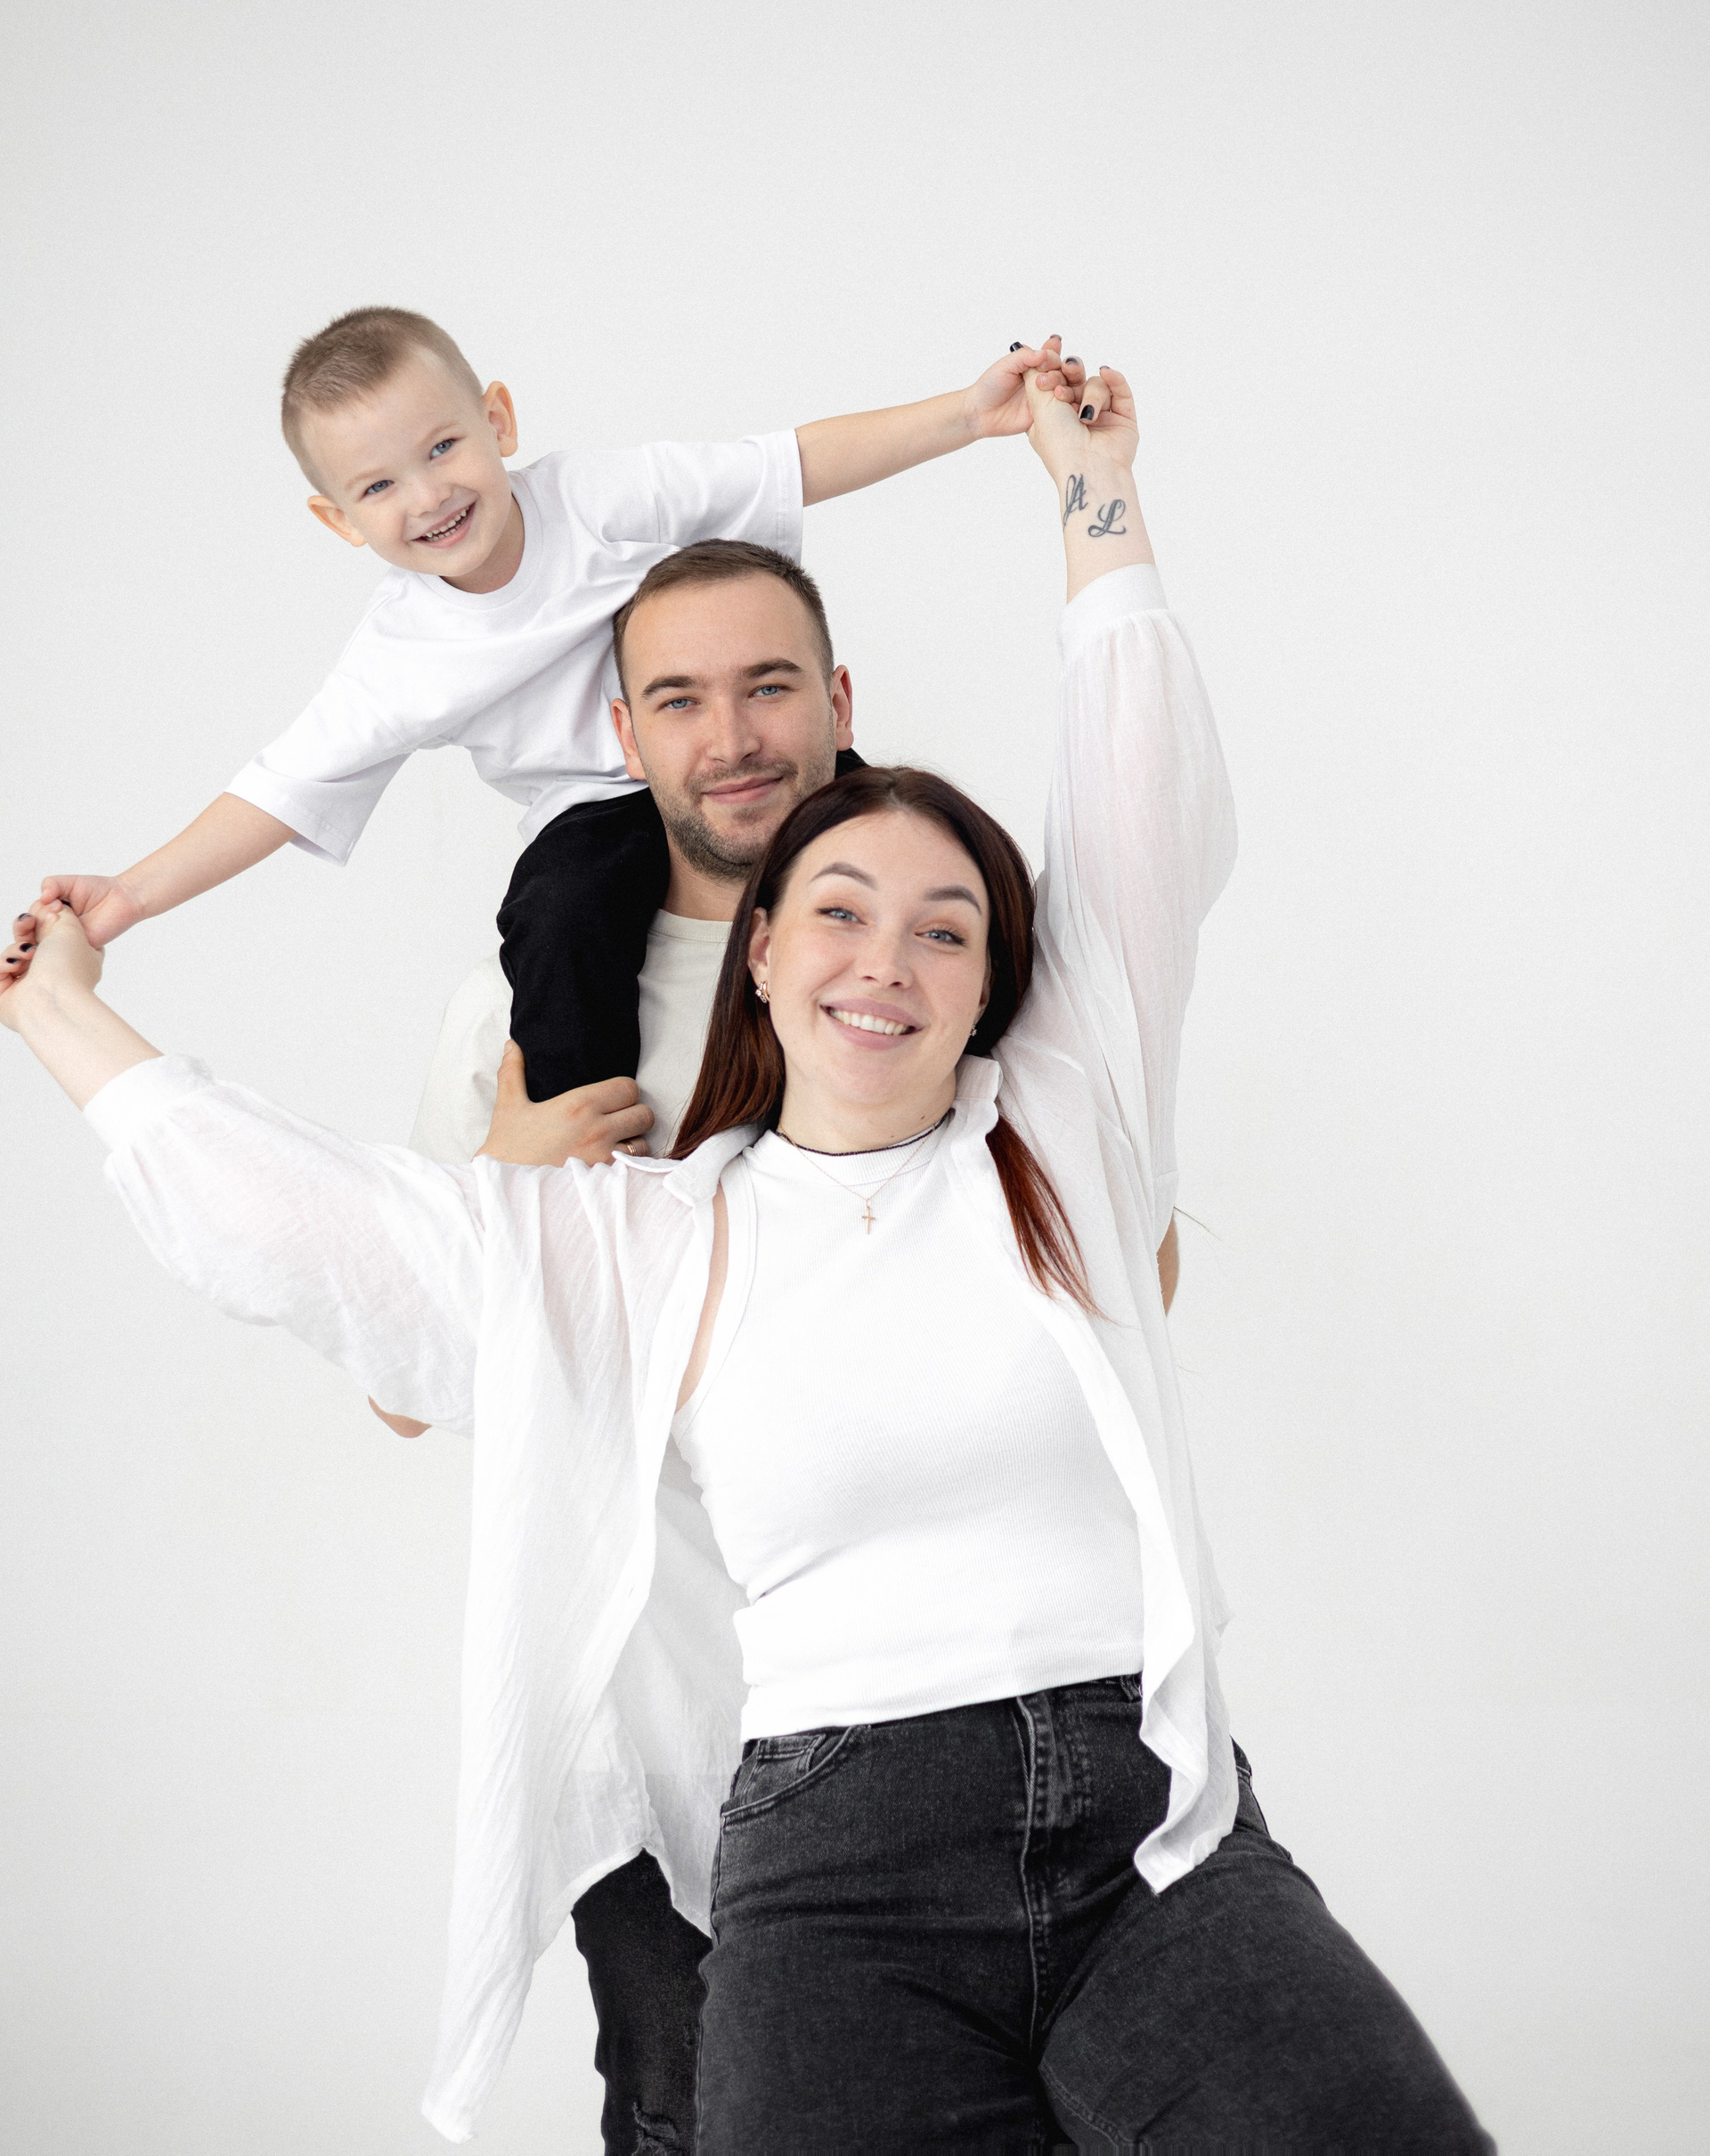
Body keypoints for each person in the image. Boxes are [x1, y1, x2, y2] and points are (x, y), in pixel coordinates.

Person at [1, 356, 1490, 2149]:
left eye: (945, 930)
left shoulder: (1053, 1110)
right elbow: (335, 1245)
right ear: (764, 958)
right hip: (781, 1807)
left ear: (996, 976)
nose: (888, 960)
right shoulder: (647, 1212)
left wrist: (1093, 494)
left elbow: (1135, 795)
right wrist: (64, 1012)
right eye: (840, 916)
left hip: (1145, 1810)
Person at [393, 511, 1179, 2152]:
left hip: (946, 1708)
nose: (732, 735)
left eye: (768, 686)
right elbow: (409, 1385)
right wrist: (507, 1180)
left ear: (838, 699)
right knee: (690, 2114)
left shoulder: (945, 951)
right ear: (626, 736)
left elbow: (1133, 1271)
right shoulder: (528, 1004)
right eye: (680, 700)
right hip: (656, 1708)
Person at [25, 306, 1057, 1103]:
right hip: (595, 813)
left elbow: (786, 464)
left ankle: (996, 1054)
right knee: (558, 920)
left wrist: (968, 417)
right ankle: (585, 1137)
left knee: (916, 842)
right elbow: (278, 790)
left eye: (442, 448)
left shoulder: (597, 500)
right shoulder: (400, 656)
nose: (428, 497)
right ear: (338, 521)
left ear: (499, 422)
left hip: (735, 756)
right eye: (378, 487)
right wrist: (129, 897)